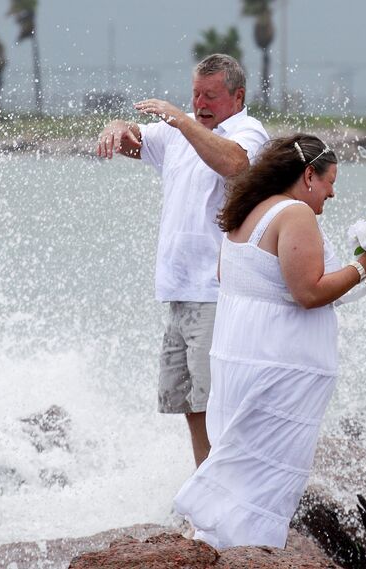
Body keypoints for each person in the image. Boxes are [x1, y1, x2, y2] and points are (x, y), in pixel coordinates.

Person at [174, 134, 366, 548]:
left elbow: (234, 278)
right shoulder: (295, 214)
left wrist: (358, 277)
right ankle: (250, 549)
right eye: (329, 181)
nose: (333, 191)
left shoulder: (248, 207)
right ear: (308, 174)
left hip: (241, 356)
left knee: (242, 462)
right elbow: (308, 292)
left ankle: (218, 543)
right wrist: (362, 268)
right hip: (278, 363)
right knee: (269, 470)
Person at [96, 54, 269, 467]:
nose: (200, 103)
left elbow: (234, 164)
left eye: (210, 95)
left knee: (217, 402)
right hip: (177, 289)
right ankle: (203, 486)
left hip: (216, 291)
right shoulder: (179, 130)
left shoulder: (248, 132)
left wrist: (181, 119)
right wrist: (118, 127)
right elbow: (135, 140)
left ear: (237, 95)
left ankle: (223, 495)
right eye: (195, 94)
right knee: (190, 402)